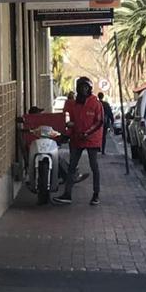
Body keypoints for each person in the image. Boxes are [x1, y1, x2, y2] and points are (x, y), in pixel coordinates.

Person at [58, 76, 104, 206]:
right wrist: (67, 132)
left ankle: (96, 194)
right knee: (71, 166)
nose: (83, 90)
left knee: (94, 166)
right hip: (76, 139)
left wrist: (87, 132)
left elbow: (99, 121)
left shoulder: (96, 103)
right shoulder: (73, 104)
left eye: (86, 87)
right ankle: (67, 194)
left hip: (92, 140)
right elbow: (68, 121)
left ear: (89, 89)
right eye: (81, 87)